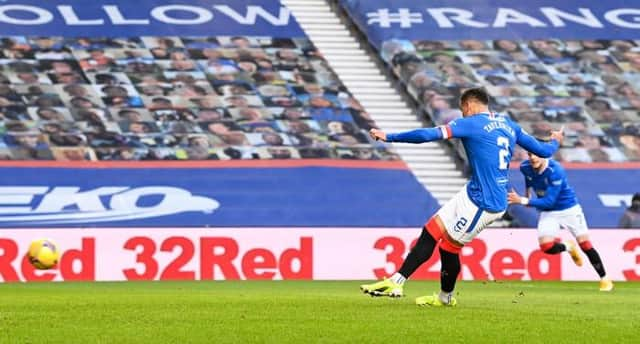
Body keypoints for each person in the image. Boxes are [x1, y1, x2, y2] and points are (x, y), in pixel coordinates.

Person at [360, 87, 563, 307]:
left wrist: (390, 137)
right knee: (431, 230)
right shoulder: (509, 125)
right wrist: (556, 140)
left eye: (462, 110)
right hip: (472, 191)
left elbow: (429, 134)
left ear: (468, 105)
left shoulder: (470, 123)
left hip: (486, 203)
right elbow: (544, 151)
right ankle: (396, 282)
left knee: (448, 247)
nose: (462, 114)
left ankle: (445, 298)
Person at [507, 152, 614, 291]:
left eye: (536, 155)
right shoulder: (525, 167)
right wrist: (528, 193)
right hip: (549, 213)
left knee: (585, 245)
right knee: (546, 247)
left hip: (568, 209)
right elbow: (529, 178)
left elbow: (549, 201)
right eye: (530, 154)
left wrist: (523, 200)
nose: (532, 157)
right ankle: (568, 247)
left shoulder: (555, 170)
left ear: (544, 156)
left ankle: (605, 279)